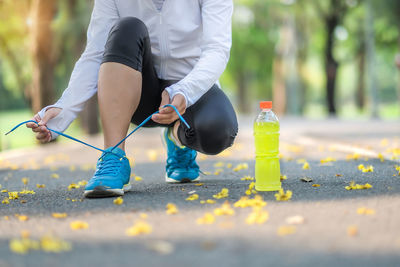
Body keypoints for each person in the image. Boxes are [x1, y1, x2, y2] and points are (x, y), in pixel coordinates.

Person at [26, 0, 238, 198]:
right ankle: (113, 155)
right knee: (126, 28)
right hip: (136, 91)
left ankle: (177, 137)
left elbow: (217, 50)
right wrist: (64, 108)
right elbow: (96, 53)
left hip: (190, 90)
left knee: (218, 131)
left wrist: (184, 91)